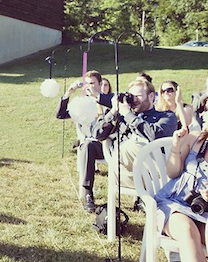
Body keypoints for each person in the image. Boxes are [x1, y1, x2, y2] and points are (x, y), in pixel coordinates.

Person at [94, 78, 178, 187]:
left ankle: (163, 183)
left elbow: (155, 135)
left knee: (135, 144)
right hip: (126, 174)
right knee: (130, 145)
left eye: (138, 96)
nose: (134, 100)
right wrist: (114, 111)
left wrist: (128, 115)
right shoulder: (121, 116)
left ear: (151, 96)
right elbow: (97, 134)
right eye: (131, 96)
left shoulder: (167, 116)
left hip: (155, 174)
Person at [56, 70, 110, 212]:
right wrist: (69, 92)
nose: (89, 87)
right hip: (92, 146)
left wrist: (98, 98)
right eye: (87, 84)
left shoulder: (109, 101)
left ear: (100, 84)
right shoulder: (82, 104)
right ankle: (88, 194)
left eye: (92, 83)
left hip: (110, 145)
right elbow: (61, 115)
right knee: (87, 145)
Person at [154, 124, 208, 262]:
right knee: (187, 229)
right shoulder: (195, 138)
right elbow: (172, 173)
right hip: (175, 203)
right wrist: (176, 147)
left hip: (204, 212)